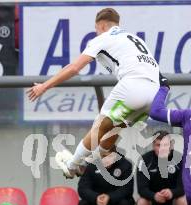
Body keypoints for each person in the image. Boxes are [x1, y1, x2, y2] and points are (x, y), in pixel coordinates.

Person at [27, 8, 160, 179]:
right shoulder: (134, 38)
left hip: (133, 85)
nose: (96, 32)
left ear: (102, 25)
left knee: (99, 127)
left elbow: (74, 67)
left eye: (96, 29)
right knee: (115, 128)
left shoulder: (103, 38)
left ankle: (72, 164)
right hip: (154, 93)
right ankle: (90, 163)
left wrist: (44, 86)